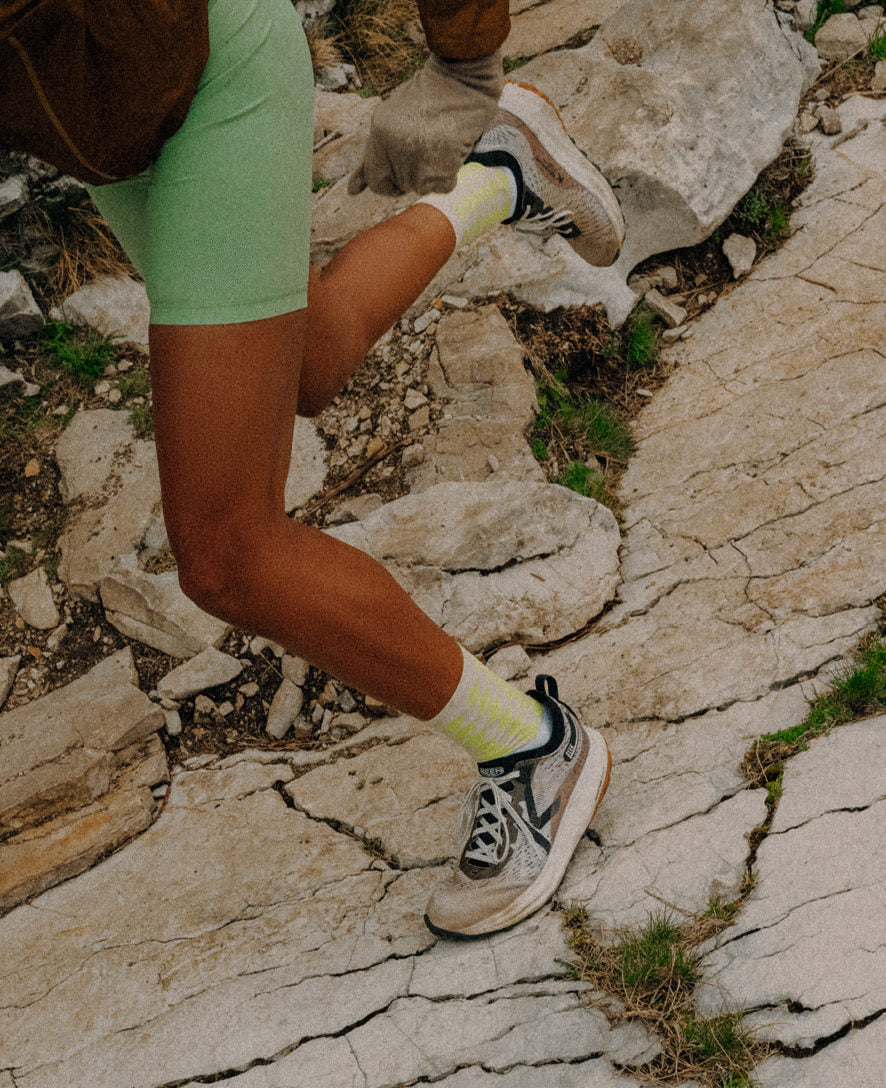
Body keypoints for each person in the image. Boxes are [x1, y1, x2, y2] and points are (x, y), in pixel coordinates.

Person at [6, 0, 624, 938]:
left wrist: (463, 63)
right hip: (108, 121)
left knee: (227, 552)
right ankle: (504, 174)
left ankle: (534, 746)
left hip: (211, 71)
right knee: (311, 358)